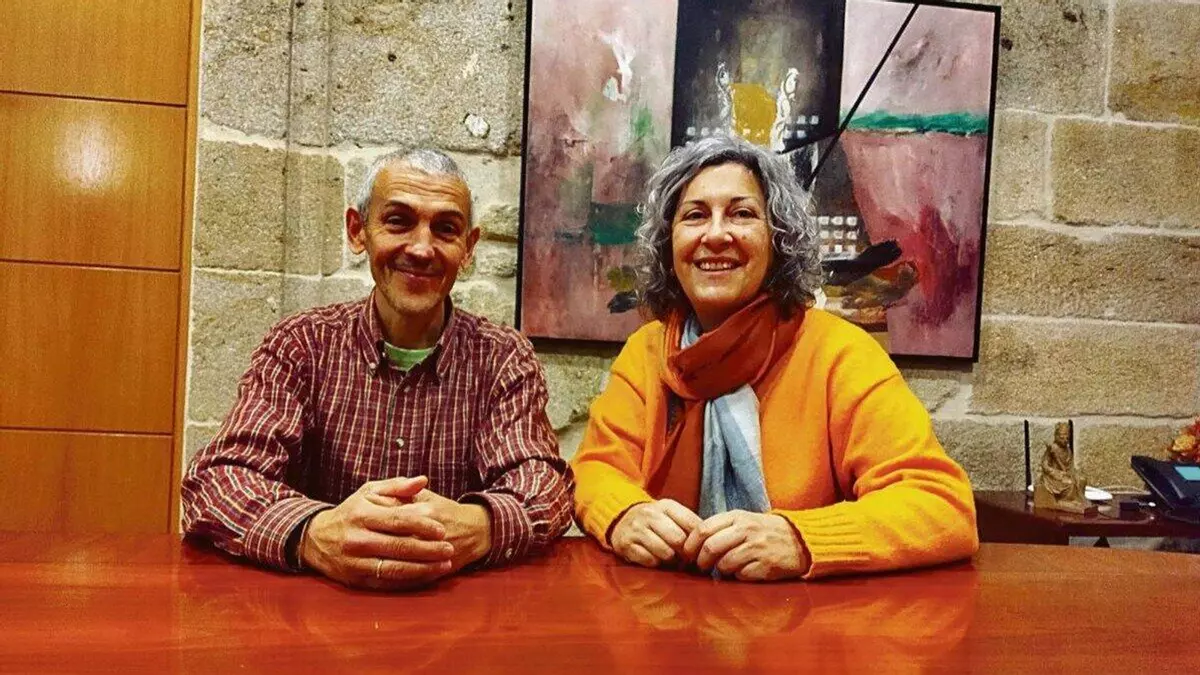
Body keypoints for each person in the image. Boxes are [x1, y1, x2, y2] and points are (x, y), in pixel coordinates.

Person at [571, 136, 978, 581]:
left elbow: (941, 506)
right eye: (695, 215)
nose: (716, 234)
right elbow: (595, 470)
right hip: (660, 608)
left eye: (742, 214)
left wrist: (802, 539)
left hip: (805, 615)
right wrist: (624, 513)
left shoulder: (841, 354)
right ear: (669, 244)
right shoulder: (647, 353)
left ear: (778, 240)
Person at [182, 148, 574, 590]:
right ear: (358, 231)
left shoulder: (503, 357)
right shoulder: (301, 345)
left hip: (450, 609)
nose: (422, 248)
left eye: (446, 229)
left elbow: (544, 485)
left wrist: (479, 525)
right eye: (398, 221)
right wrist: (312, 532)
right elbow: (218, 479)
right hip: (319, 607)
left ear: (468, 248)